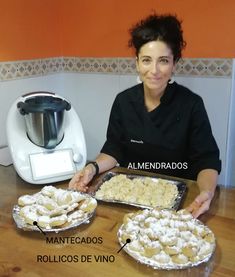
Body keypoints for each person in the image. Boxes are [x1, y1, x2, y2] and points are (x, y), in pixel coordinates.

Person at [69, 14, 221, 218]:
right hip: (127, 203)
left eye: (164, 61)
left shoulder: (191, 104)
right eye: (147, 60)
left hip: (179, 206)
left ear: (174, 63)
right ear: (137, 63)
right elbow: (114, 149)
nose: (154, 70)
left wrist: (207, 192)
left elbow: (207, 161)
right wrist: (92, 168)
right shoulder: (124, 101)